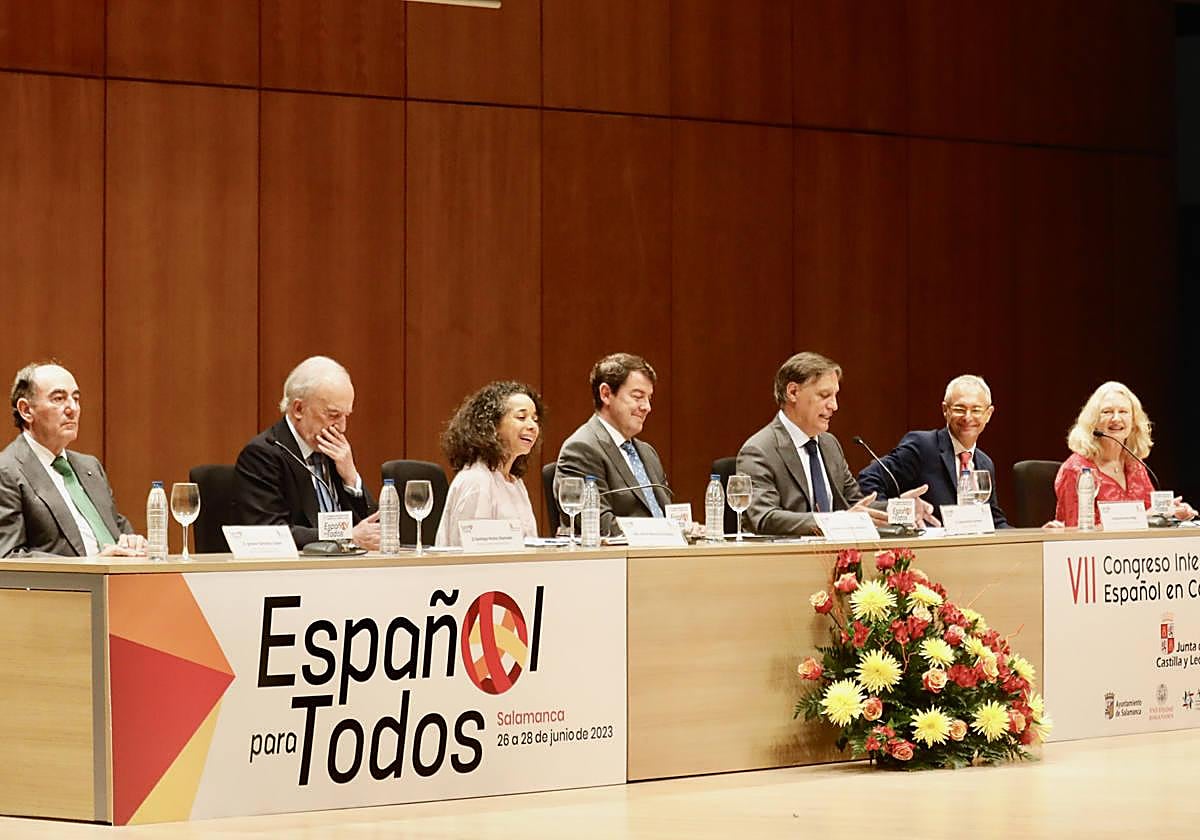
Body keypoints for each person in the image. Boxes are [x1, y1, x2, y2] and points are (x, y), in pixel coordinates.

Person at [737, 351, 936, 536]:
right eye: (824, 396)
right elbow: (764, 518)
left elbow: (856, 505)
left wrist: (899, 508)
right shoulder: (759, 450)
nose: (834, 406)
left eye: (835, 396)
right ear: (793, 392)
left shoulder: (829, 444)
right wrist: (835, 521)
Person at [0, 362, 146, 557]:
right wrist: (91, 565)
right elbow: (9, 557)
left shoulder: (90, 466)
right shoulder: (7, 470)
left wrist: (132, 542)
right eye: (59, 399)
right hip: (70, 587)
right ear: (26, 410)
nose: (72, 408)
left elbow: (116, 529)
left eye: (76, 398)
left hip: (119, 583)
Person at [236, 356, 379, 549]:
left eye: (346, 416)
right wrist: (346, 536)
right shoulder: (263, 455)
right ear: (298, 409)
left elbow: (371, 528)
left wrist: (351, 478)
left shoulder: (333, 449)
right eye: (333, 415)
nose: (342, 427)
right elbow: (271, 533)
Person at [857, 374, 1009, 527]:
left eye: (976, 410)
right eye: (959, 409)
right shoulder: (922, 446)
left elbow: (994, 519)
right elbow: (869, 478)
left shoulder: (985, 462)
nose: (967, 417)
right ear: (945, 410)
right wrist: (897, 513)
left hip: (969, 547)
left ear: (988, 414)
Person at [554, 353, 671, 537]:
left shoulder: (648, 453)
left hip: (661, 555)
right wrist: (662, 533)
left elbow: (666, 513)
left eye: (649, 398)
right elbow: (598, 523)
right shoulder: (581, 449)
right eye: (638, 396)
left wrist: (684, 528)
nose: (647, 407)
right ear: (606, 394)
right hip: (617, 561)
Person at [1053, 381, 1195, 527]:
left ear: (1134, 422)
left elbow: (1151, 516)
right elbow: (1077, 531)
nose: (1116, 418)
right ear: (1093, 422)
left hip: (1140, 549)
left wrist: (1171, 511)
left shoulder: (1135, 466)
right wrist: (1144, 517)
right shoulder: (1077, 470)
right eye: (1107, 412)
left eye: (1123, 412)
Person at [435, 381, 543, 547]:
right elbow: (472, 556)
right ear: (492, 425)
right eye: (521, 417)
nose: (532, 426)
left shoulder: (515, 482)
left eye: (535, 419)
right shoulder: (477, 481)